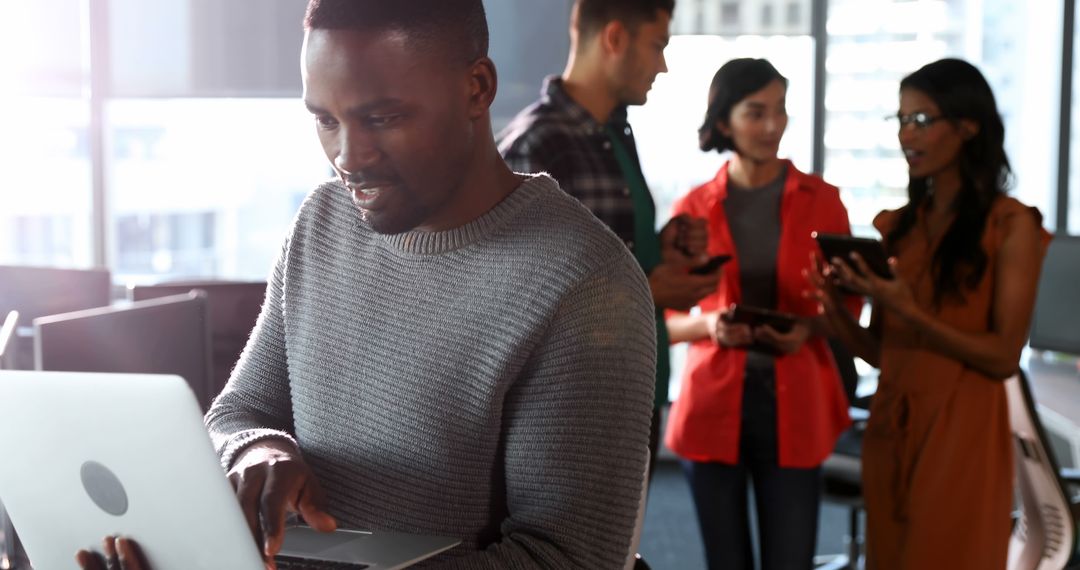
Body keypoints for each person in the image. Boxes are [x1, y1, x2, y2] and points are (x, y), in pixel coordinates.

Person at [77, 1, 658, 568]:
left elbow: (567, 558)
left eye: (383, 118)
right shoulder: (323, 222)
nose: (347, 158)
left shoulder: (585, 285)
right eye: (325, 120)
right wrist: (259, 449)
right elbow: (239, 410)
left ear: (476, 88)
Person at [809, 58, 1051, 569]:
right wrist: (836, 310)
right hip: (892, 429)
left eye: (920, 120)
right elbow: (881, 354)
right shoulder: (902, 227)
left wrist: (908, 310)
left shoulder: (1011, 226)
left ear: (967, 127)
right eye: (899, 120)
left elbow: (1003, 355)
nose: (905, 135)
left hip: (962, 434)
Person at [498, 0, 719, 479]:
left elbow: (610, 252)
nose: (662, 64)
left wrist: (663, 244)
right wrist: (647, 292)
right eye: (657, 45)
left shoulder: (616, 132)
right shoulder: (535, 145)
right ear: (615, 38)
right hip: (571, 408)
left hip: (633, 382)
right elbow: (514, 302)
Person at [662, 59, 859, 570]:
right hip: (713, 405)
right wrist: (710, 326)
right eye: (756, 112)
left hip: (796, 404)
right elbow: (661, 317)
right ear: (725, 121)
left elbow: (848, 308)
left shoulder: (824, 202)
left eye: (780, 110)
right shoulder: (693, 207)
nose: (773, 125)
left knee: (790, 561)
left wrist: (809, 328)